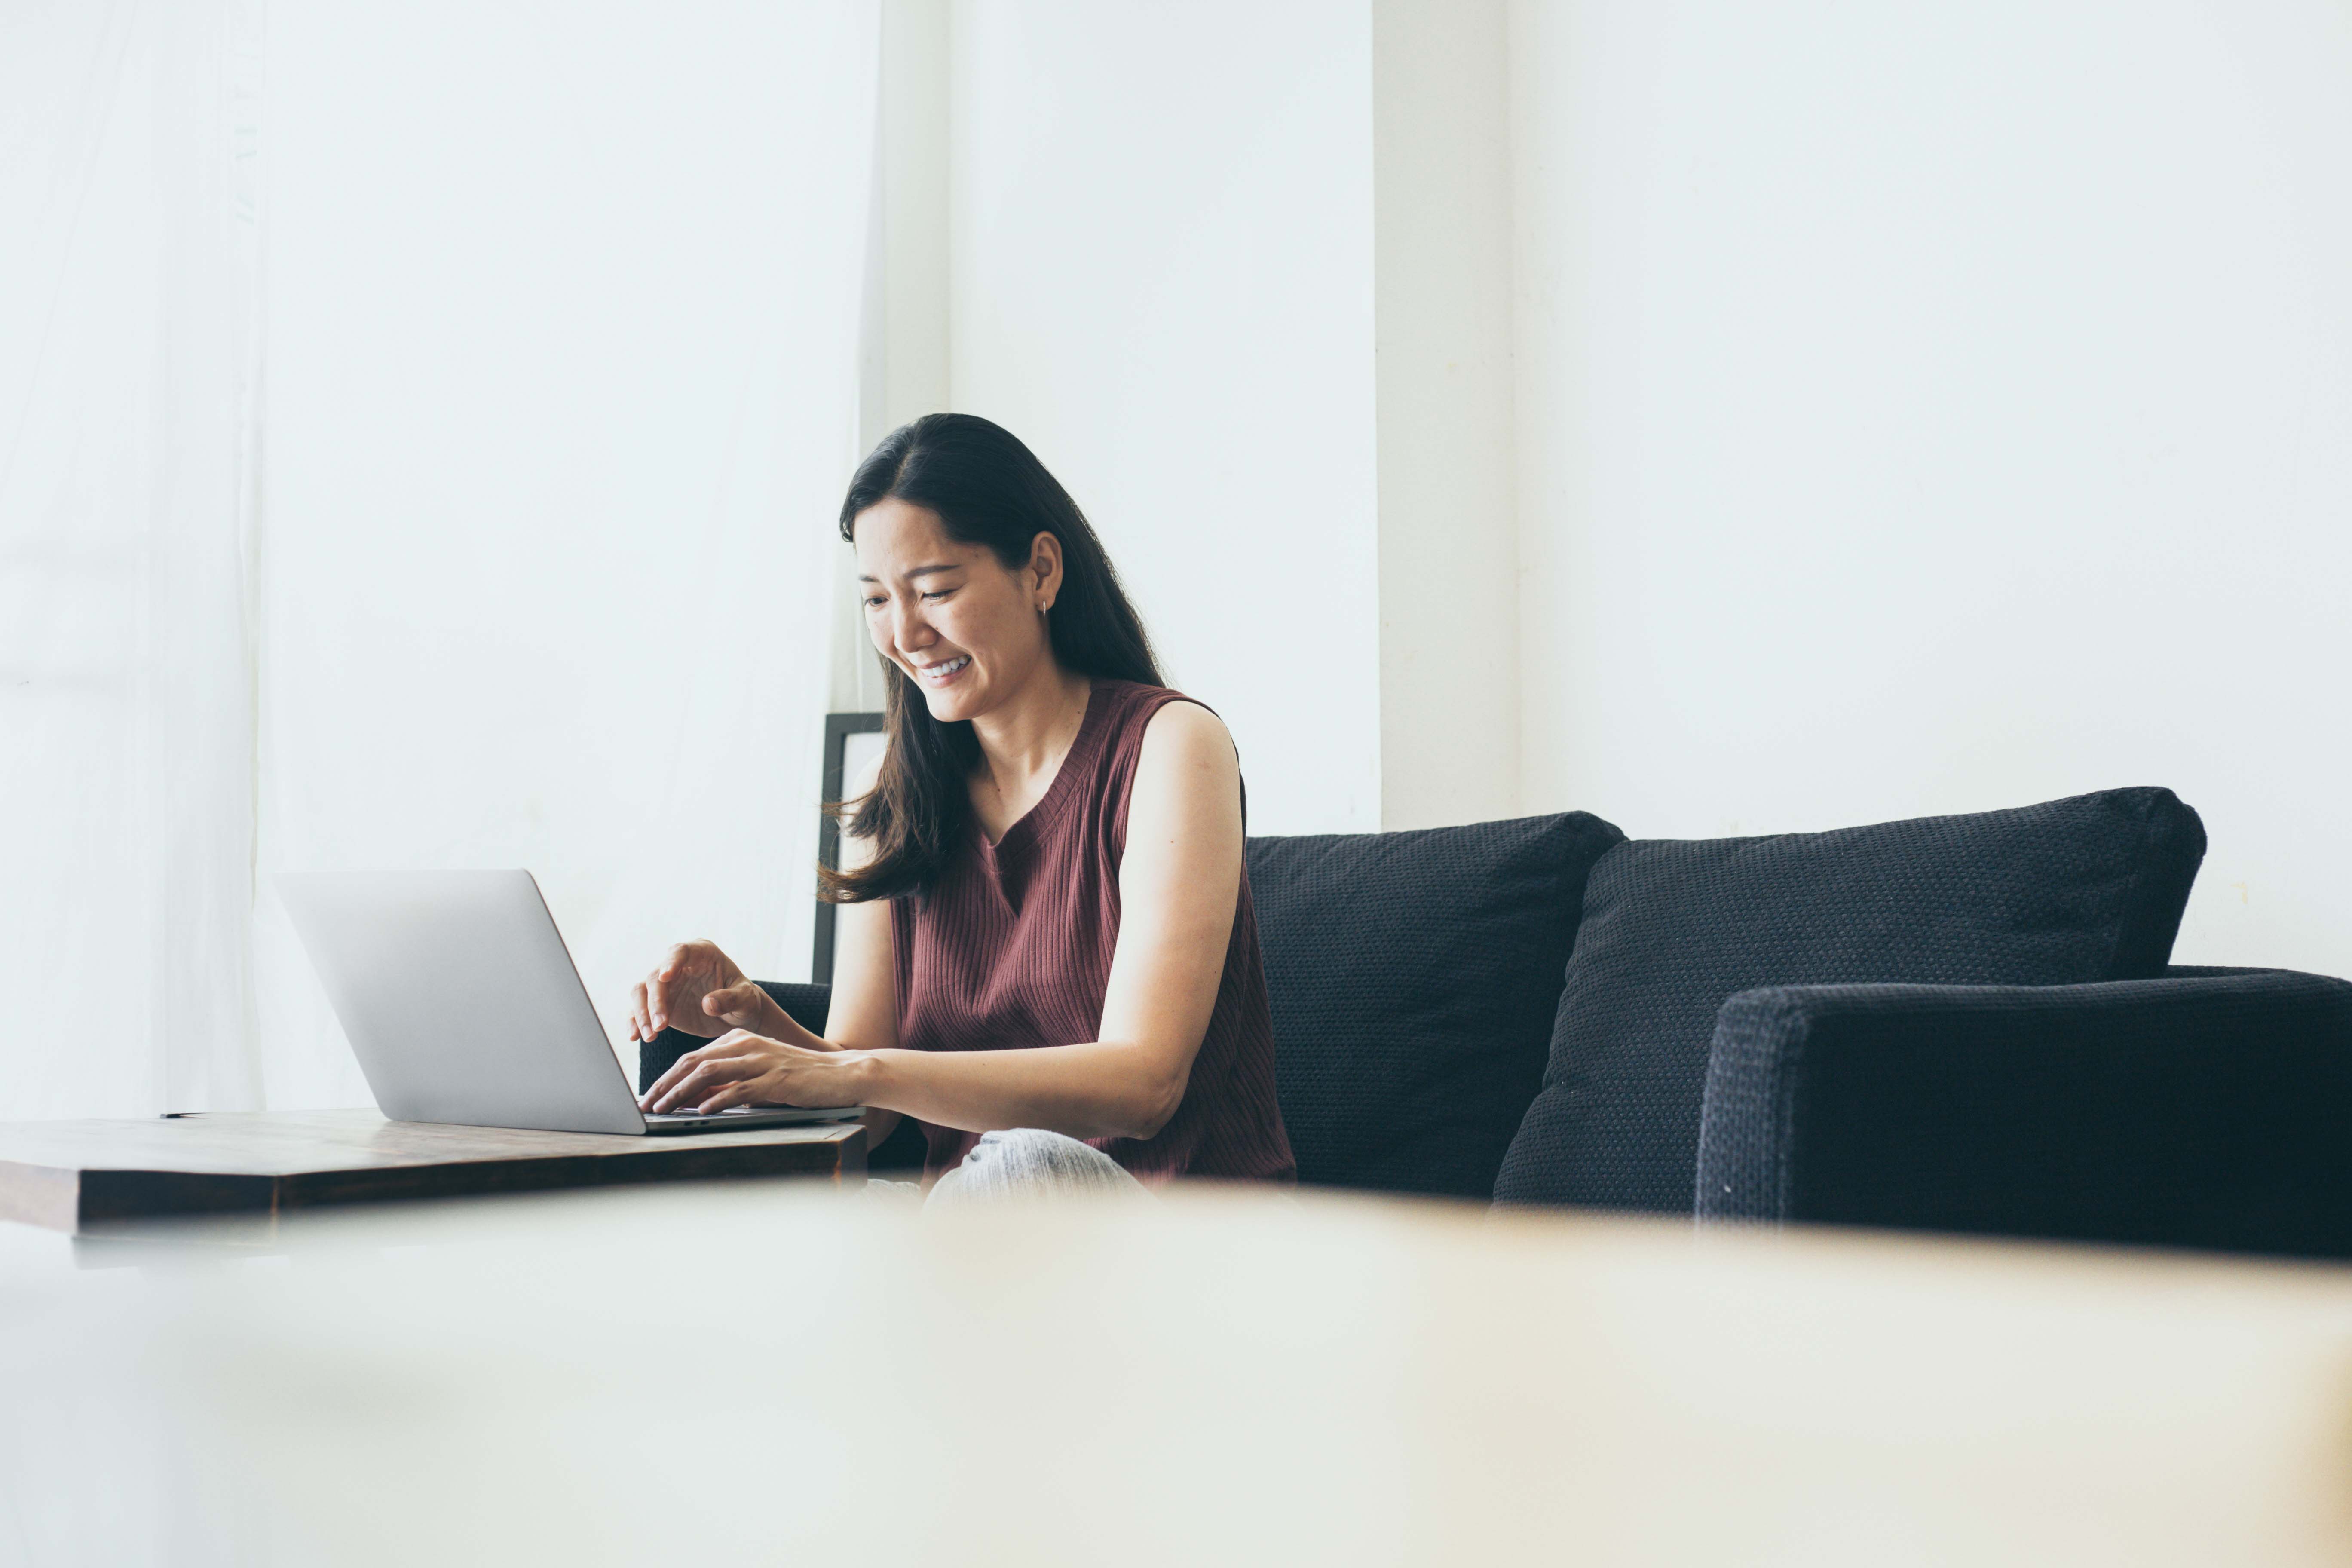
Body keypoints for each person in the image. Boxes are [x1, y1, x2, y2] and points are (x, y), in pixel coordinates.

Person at [628, 413, 1295, 1202]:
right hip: (972, 1227)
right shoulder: (892, 795)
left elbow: (1143, 1085)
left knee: (1020, 1166)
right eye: (877, 600)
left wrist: (857, 1071)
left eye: (936, 592)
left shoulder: (1171, 746)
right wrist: (756, 1023)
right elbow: (871, 1114)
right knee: (742, 1213)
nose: (907, 634)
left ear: (1040, 572)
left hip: (1174, 1231)